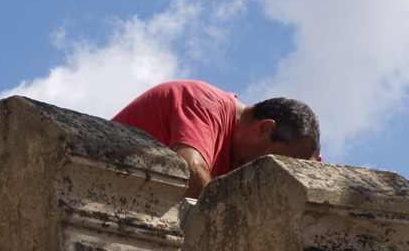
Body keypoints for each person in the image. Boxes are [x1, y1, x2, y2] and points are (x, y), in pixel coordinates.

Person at [112, 80, 321, 198]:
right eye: (276, 162)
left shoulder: (234, 158)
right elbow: (191, 171)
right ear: (265, 129)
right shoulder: (204, 103)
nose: (270, 175)